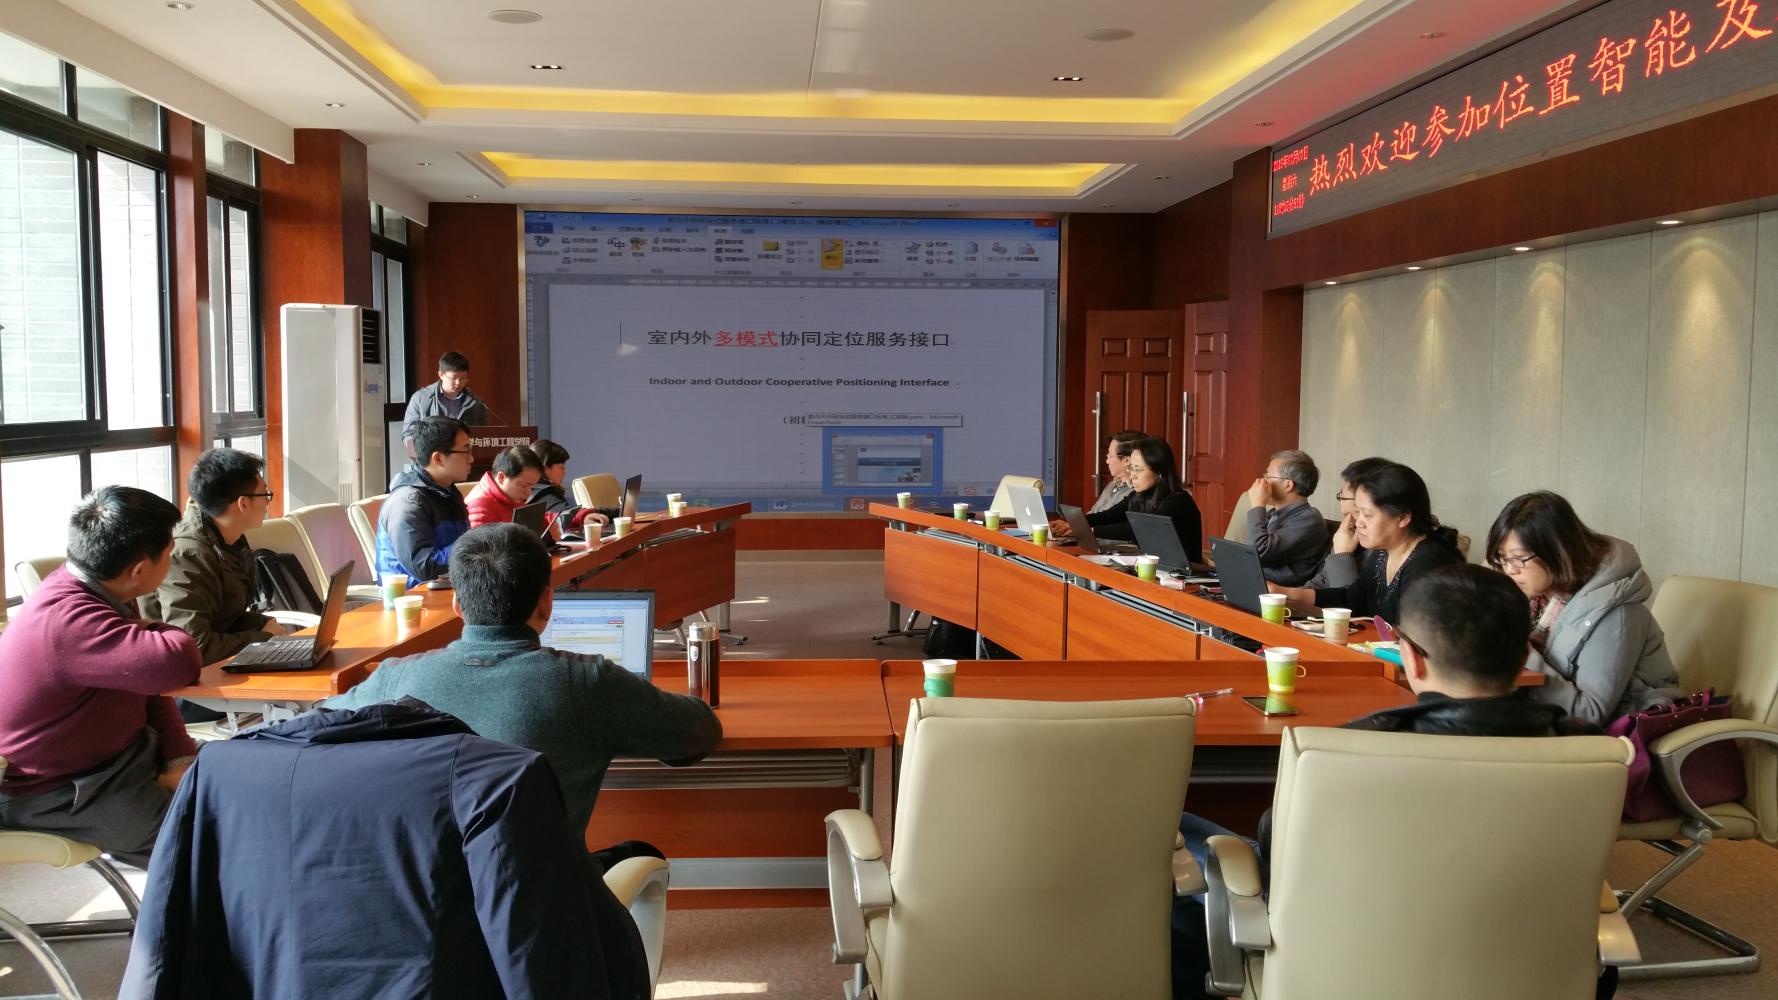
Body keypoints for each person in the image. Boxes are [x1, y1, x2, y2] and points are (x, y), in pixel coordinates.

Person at [1169, 564, 1604, 999]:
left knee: (1174, 842)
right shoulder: (1586, 753)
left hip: (1345, 976)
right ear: (1524, 655)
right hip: (1518, 976)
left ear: (1410, 657)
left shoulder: (1342, 751)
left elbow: (1277, 842)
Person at [327, 523, 722, 839]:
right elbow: (699, 732)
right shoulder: (586, 682)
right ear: (547, 601)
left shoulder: (393, 679)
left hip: (424, 900)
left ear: (457, 605)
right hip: (540, 902)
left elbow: (317, 726)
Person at [0, 487, 203, 864]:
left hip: (117, 760)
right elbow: (179, 660)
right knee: (208, 835)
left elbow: (151, 686)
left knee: (239, 780)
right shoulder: (69, 620)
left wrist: (178, 758)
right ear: (139, 570)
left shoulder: (97, 589)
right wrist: (152, 630)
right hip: (54, 791)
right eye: (169, 552)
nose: (172, 559)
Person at [1488, 491, 1683, 723]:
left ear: (1558, 551)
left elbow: (1590, 715)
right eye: (1503, 558)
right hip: (1548, 719)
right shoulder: (1539, 597)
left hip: (1615, 733)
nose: (1510, 569)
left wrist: (1521, 652)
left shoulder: (1615, 615)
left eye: (1519, 558)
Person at [142, 448, 289, 663]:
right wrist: (264, 637)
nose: (268, 502)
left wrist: (260, 624)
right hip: (184, 675)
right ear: (243, 504)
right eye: (265, 494)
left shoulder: (230, 538)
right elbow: (194, 646)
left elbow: (223, 617)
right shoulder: (187, 555)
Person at [1270, 462, 1461, 625]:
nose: (1358, 522)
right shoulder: (1383, 553)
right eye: (1358, 512)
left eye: (1368, 515)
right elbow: (1353, 599)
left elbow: (1414, 636)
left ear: (1403, 518)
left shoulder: (1428, 564)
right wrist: (1284, 593)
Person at [378, 415, 473, 585]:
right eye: (466, 451)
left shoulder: (447, 490)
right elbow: (424, 567)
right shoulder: (407, 502)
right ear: (438, 459)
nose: (472, 459)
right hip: (412, 595)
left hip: (448, 586)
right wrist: (475, 546)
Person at [1083, 437, 1204, 560]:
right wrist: (1078, 522)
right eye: (1131, 469)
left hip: (1182, 570)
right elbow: (1108, 516)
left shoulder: (1178, 502)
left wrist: (1092, 530)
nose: (1132, 475)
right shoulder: (1139, 495)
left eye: (1138, 470)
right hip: (1153, 566)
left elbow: (1141, 529)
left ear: (1159, 472)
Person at [1302, 456, 1395, 589]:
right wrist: (1285, 595)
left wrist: (1342, 556)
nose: (1340, 501)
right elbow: (1322, 581)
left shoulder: (1387, 548)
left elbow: (1352, 600)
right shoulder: (1349, 532)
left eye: (1342, 496)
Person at [1243, 449, 1329, 586]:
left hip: (1276, 593)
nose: (1262, 482)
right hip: (1252, 583)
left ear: (1288, 485)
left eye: (1268, 476)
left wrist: (1257, 505)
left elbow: (1258, 554)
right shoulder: (1273, 513)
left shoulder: (1310, 520)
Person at [402, 350, 491, 442]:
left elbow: (483, 435)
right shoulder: (420, 398)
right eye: (453, 378)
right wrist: (421, 449)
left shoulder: (476, 403)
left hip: (464, 450)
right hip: (432, 450)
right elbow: (408, 434)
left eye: (463, 378)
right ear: (441, 375)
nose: (458, 383)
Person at [529, 438, 610, 532]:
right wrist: (584, 516)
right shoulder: (542, 493)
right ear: (546, 467)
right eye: (562, 467)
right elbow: (566, 513)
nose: (565, 472)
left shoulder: (539, 489)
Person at [464, 444, 545, 529]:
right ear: (501, 478)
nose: (529, 492)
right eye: (524, 485)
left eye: (532, 487)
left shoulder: (511, 496)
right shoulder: (479, 508)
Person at [1089, 430, 1146, 513]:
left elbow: (1108, 519)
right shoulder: (1111, 485)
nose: (1107, 461)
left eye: (1110, 455)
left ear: (1127, 460)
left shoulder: (1136, 492)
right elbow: (1093, 512)